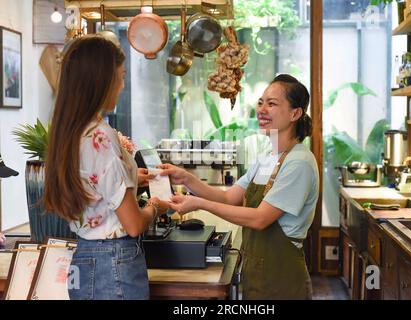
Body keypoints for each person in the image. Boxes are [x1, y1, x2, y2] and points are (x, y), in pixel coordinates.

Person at [163, 74, 319, 300]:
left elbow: (260, 218)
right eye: (261, 102)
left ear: (295, 113)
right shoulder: (267, 157)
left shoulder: (299, 162)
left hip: (282, 280)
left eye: (272, 103)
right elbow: (228, 198)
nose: (262, 109)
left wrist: (199, 204)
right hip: (257, 276)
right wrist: (186, 178)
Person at [44, 36, 169, 300]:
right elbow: (134, 224)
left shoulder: (70, 132)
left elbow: (93, 185)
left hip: (84, 258)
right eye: (121, 77)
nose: (122, 86)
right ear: (101, 80)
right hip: (114, 263)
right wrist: (156, 206)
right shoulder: (101, 136)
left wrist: (134, 177)